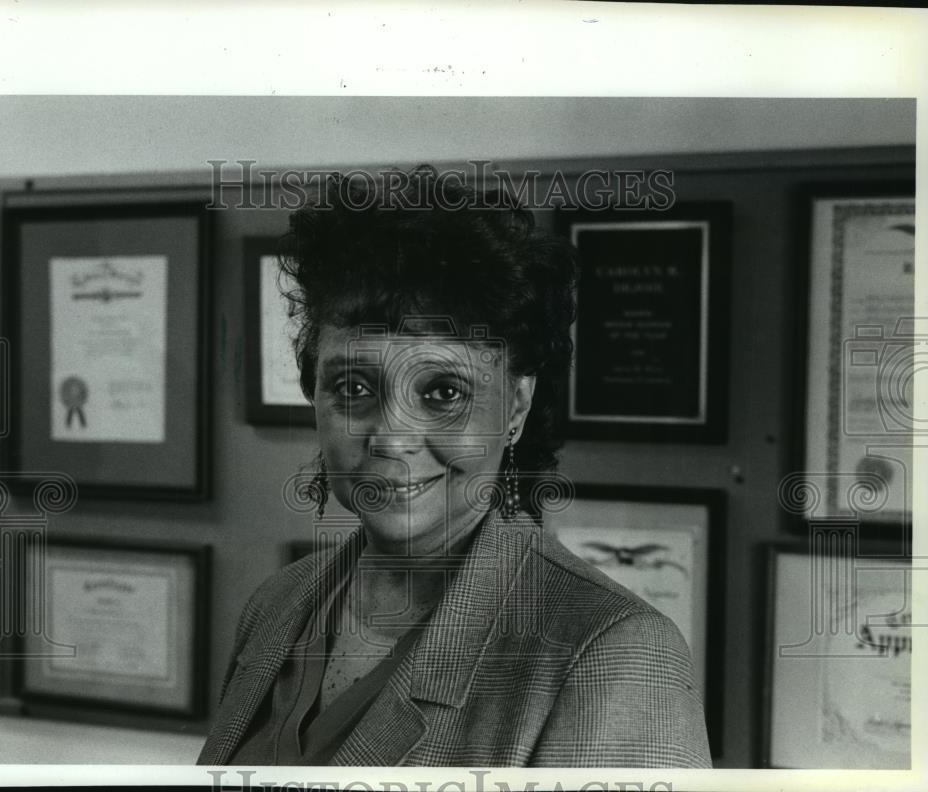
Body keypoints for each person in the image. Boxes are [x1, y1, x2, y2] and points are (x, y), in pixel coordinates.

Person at [197, 166, 712, 768]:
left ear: (516, 404)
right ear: (315, 394)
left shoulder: (610, 653)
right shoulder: (278, 604)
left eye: (443, 392)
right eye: (355, 386)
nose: (391, 438)